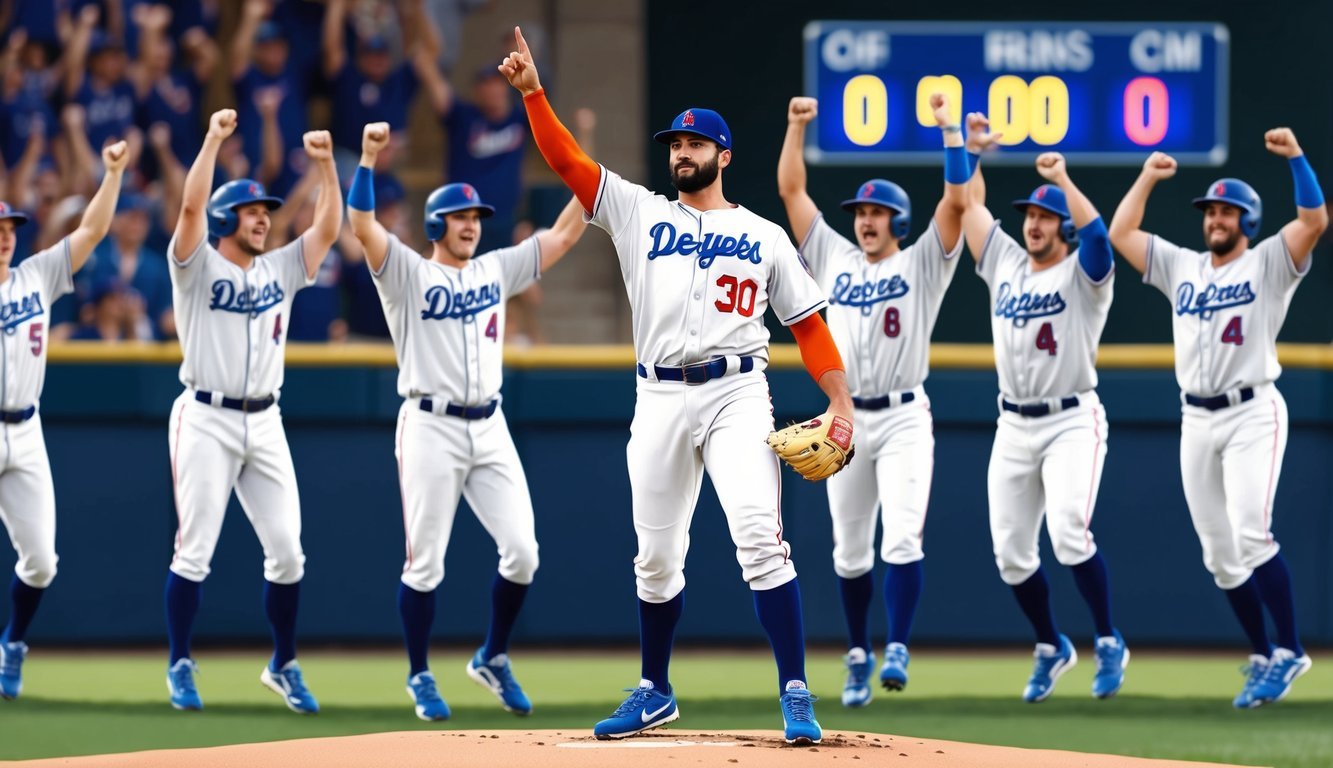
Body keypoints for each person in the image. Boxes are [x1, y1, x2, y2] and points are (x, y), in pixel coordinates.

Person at [501, 27, 854, 745]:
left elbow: (809, 327)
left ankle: (794, 691)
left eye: (693, 144)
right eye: (674, 144)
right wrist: (535, 95)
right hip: (658, 396)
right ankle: (654, 689)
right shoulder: (639, 211)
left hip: (735, 393)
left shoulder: (762, 235)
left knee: (760, 538)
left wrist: (840, 400)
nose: (680, 153)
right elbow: (568, 163)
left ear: (722, 155)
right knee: (655, 558)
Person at [346, 120, 589, 721]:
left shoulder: (494, 270)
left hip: (490, 425)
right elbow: (360, 227)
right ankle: (420, 674)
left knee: (524, 553)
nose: (473, 225)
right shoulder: (408, 273)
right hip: (430, 425)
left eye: (477, 217)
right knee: (425, 562)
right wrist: (369, 159)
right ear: (437, 225)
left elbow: (563, 234)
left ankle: (493, 657)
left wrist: (586, 165)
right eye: (462, 218)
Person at [1108, 129, 1327, 708]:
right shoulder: (1182, 266)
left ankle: (1291, 650)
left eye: (1227, 210)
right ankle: (1263, 654)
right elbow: (1121, 234)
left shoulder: (1268, 264)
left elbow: (1313, 222)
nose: (1216, 218)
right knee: (1218, 552)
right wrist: (1149, 177)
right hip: (1197, 420)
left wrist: (1298, 160)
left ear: (1247, 220)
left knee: (1253, 535)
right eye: (1210, 210)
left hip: (1253, 411)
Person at [776, 94, 966, 705]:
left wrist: (950, 134)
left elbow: (957, 203)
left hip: (907, 415)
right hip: (847, 419)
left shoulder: (922, 265)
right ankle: (858, 652)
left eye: (877, 211)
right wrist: (796, 127)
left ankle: (899, 646)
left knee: (902, 539)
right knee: (850, 548)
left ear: (898, 222)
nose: (865, 218)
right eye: (860, 210)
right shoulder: (833, 255)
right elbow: (791, 190)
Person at [161, 108, 342, 714]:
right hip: (205, 415)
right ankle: (181, 662)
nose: (264, 217)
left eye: (267, 210)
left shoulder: (280, 267)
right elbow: (188, 212)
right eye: (252, 210)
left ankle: (283, 664)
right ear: (224, 218)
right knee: (195, 550)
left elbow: (326, 229)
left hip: (266, 419)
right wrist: (212, 139)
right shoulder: (195, 265)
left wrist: (324, 168)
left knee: (289, 552)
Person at [958, 119, 1129, 703]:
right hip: (1013, 422)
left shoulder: (1084, 275)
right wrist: (968, 148)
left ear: (1063, 227)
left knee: (1069, 534)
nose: (1032, 223)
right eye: (1029, 214)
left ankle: (1108, 639)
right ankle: (1051, 644)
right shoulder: (1004, 259)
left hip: (1071, 420)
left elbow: (1102, 242)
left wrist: (1062, 178)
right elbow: (966, 203)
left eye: (1044, 216)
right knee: (1010, 554)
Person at [0, 140, 130, 699]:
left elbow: (91, 232)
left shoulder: (35, 275)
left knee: (42, 564)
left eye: (9, 228)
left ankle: (13, 643)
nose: (6, 235)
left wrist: (113, 174)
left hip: (26, 431)